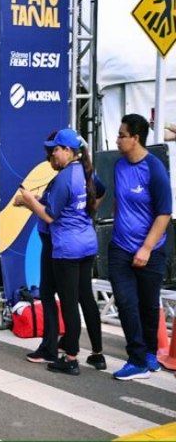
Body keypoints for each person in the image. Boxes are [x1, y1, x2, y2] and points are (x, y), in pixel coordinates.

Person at [16, 132, 106, 371]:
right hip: (86, 243)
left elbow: (48, 215)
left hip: (66, 247)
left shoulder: (65, 178)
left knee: (68, 303)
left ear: (67, 150)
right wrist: (86, 213)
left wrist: (28, 200)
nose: (52, 154)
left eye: (55, 149)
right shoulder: (86, 171)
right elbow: (101, 192)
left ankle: (70, 358)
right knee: (84, 297)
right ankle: (97, 353)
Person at [109, 114, 172, 380]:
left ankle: (148, 354)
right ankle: (137, 359)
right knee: (125, 302)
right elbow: (118, 202)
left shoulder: (154, 169)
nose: (117, 139)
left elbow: (164, 213)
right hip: (120, 248)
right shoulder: (118, 166)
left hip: (151, 250)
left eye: (122, 135)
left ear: (135, 138)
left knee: (148, 305)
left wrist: (146, 248)